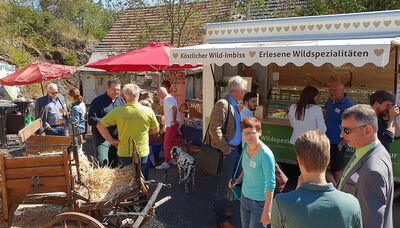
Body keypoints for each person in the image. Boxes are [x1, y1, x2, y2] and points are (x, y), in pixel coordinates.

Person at [271, 130, 362, 228]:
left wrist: (297, 192)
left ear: (299, 160)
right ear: (328, 159)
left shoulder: (281, 203)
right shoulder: (352, 203)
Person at [338, 104, 393, 228]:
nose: (341, 135)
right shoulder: (365, 149)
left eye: (347, 130)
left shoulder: (372, 171)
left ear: (367, 130)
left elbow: (371, 223)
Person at [96, 84, 159, 180]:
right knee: (143, 180)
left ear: (124, 96)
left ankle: (131, 194)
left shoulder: (118, 111)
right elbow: (156, 130)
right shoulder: (148, 111)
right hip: (142, 151)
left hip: (124, 151)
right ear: (138, 95)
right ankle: (142, 194)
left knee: (127, 181)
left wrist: (112, 140)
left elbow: (100, 125)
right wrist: (145, 132)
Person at [209, 76, 247, 228]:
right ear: (236, 91)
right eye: (243, 90)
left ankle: (218, 207)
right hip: (227, 151)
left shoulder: (233, 103)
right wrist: (226, 149)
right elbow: (214, 129)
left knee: (225, 183)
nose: (245, 92)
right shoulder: (222, 104)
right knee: (224, 184)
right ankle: (221, 219)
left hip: (233, 150)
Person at [230, 117, 275, 228]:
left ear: (260, 132)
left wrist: (266, 211)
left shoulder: (265, 155)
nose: (248, 137)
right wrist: (237, 181)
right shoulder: (246, 146)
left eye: (252, 133)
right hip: (244, 198)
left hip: (259, 203)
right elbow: (246, 169)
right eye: (245, 133)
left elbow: (271, 184)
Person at [88, 78, 125, 167]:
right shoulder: (97, 101)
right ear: (107, 88)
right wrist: (105, 122)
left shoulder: (121, 101)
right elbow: (91, 119)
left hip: (116, 136)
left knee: (115, 163)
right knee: (102, 163)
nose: (116, 92)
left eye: (118, 90)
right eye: (114, 89)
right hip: (102, 138)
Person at [325, 81, 353, 183]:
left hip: (338, 142)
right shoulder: (330, 101)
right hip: (326, 140)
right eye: (330, 90)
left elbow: (352, 126)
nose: (332, 92)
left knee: (337, 168)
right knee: (325, 166)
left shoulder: (349, 106)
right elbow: (326, 112)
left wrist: (343, 141)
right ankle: (332, 189)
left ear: (342, 91)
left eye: (334, 90)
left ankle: (339, 190)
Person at [156, 86, 181, 170]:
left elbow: (174, 108)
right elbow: (172, 109)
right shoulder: (170, 97)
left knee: (166, 144)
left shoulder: (167, 99)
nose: (158, 96)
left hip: (171, 124)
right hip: (174, 124)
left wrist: (173, 120)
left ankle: (166, 162)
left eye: (158, 94)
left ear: (161, 93)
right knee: (173, 142)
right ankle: (173, 159)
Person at [65, 88, 86, 153]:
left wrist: (65, 120)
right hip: (81, 129)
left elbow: (74, 122)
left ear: (71, 96)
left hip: (76, 131)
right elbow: (80, 116)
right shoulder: (82, 104)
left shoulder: (75, 107)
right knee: (80, 150)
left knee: (76, 152)